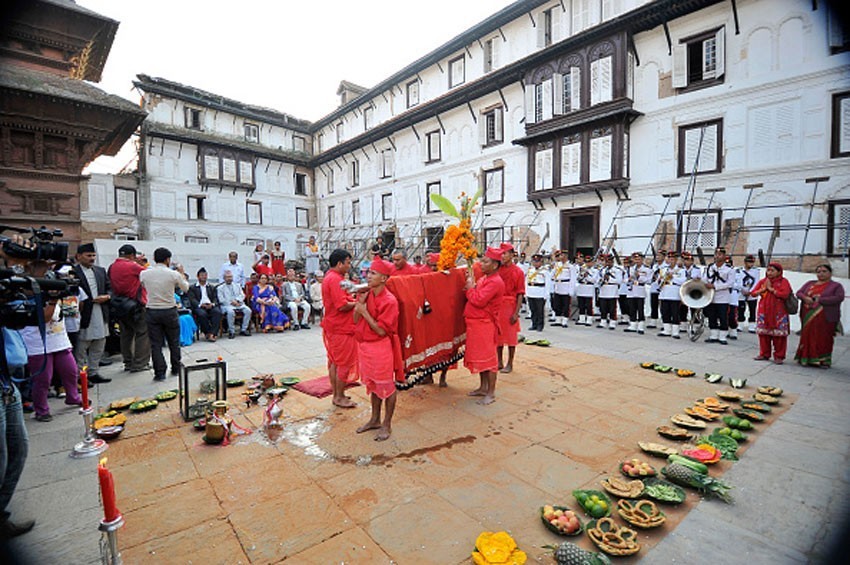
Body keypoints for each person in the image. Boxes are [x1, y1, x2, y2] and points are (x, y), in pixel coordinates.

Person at [353, 259, 401, 441]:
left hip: (380, 347)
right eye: (369, 272)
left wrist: (365, 312)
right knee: (373, 384)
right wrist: (361, 305)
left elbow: (381, 330)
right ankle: (374, 419)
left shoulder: (390, 301)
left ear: (384, 278)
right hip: (365, 346)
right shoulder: (367, 294)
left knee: (386, 386)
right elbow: (355, 319)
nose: (368, 276)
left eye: (373, 273)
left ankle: (386, 424)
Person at [21, 292, 83, 422]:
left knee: (71, 370)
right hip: (38, 344)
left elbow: (70, 309)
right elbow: (44, 318)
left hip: (59, 339)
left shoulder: (52, 288)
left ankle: (73, 396)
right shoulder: (25, 294)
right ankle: (41, 409)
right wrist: (53, 301)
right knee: (43, 379)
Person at [140, 247, 189, 381]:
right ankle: (176, 368)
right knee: (174, 342)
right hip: (169, 310)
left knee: (155, 344)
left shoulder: (144, 273)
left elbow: (143, 287)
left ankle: (160, 372)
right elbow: (185, 288)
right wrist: (182, 273)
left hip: (152, 310)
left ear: (154, 259)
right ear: (168, 259)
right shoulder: (173, 274)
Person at [465, 247, 506, 405]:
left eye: (485, 261)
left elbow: (478, 300)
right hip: (475, 323)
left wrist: (469, 289)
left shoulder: (495, 282)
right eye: (481, 260)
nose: (481, 264)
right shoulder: (485, 278)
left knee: (489, 360)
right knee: (481, 359)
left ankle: (491, 392)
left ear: (495, 265)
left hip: (484, 324)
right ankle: (483, 387)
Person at [322, 249, 359, 408]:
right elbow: (342, 306)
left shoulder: (331, 277)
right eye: (348, 263)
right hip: (341, 327)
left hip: (334, 325)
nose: (349, 266)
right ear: (339, 263)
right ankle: (339, 396)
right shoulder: (335, 279)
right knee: (343, 363)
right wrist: (358, 304)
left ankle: (338, 394)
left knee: (335, 362)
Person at [72, 244, 111, 384]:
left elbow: (110, 288)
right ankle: (79, 375)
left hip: (101, 311)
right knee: (82, 345)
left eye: (93, 255)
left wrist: (107, 297)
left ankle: (93, 372)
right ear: (79, 256)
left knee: (100, 342)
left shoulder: (100, 271)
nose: (92, 258)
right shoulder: (72, 272)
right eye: (88, 256)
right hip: (84, 312)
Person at [109, 244, 151, 372]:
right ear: (132, 255)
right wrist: (141, 263)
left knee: (126, 334)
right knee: (142, 332)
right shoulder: (132, 266)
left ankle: (128, 362)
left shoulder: (112, 266)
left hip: (120, 305)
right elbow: (148, 274)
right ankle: (140, 363)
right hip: (135, 304)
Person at [795, 264, 845, 368]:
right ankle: (806, 358)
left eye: (824, 271)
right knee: (807, 335)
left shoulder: (836, 286)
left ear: (830, 273)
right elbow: (799, 293)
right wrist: (805, 298)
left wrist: (820, 299)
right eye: (818, 272)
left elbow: (839, 298)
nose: (821, 274)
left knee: (824, 337)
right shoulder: (810, 283)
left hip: (825, 317)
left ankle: (823, 360)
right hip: (808, 315)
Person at [750, 262, 792, 364]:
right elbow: (753, 293)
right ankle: (764, 354)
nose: (769, 273)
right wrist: (763, 289)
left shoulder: (783, 282)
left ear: (779, 272)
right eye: (768, 270)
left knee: (779, 336)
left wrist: (772, 290)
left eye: (772, 270)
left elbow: (785, 294)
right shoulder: (763, 281)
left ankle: (779, 356)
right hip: (764, 311)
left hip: (779, 312)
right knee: (763, 334)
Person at [497, 243, 525, 374]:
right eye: (501, 253)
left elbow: (520, 293)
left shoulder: (518, 271)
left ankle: (510, 363)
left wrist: (516, 313)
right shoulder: (497, 269)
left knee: (511, 337)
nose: (502, 256)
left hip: (510, 305)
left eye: (505, 253)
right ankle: (499, 361)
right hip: (498, 305)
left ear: (512, 255)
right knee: (498, 335)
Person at [703, 247, 734, 344]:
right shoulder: (710, 267)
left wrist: (715, 286)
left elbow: (730, 283)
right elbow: (705, 278)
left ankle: (722, 337)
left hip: (723, 297)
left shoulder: (729, 269)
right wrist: (704, 283)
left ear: (724, 256)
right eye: (716, 254)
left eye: (720, 254)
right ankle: (713, 335)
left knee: (723, 317)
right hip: (711, 297)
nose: (717, 256)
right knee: (712, 316)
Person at [188, 268, 222, 342]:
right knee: (202, 314)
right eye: (202, 275)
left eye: (205, 275)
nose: (204, 277)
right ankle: (207, 332)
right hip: (200, 306)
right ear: (198, 276)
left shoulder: (211, 287)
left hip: (210, 305)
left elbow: (215, 298)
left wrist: (212, 304)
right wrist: (200, 305)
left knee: (217, 312)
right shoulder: (193, 287)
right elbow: (192, 299)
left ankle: (213, 333)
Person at [657, 251, 685, 339]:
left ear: (676, 260)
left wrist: (673, 278)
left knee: (675, 313)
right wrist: (659, 280)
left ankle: (675, 332)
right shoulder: (663, 269)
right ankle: (667, 330)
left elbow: (683, 281)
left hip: (674, 293)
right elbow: (659, 282)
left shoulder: (681, 270)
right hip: (664, 293)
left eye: (673, 259)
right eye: (669, 259)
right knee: (665, 312)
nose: (671, 260)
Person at [217, 271, 252, 338]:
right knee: (230, 312)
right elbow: (221, 299)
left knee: (248, 310)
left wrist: (237, 301)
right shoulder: (220, 288)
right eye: (227, 277)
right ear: (224, 278)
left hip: (239, 303)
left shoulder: (237, 285)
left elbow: (242, 295)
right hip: (227, 305)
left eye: (230, 277)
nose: (229, 278)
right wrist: (232, 302)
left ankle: (243, 329)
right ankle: (231, 331)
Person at [625, 252, 651, 334]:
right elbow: (624, 279)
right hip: (631, 290)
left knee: (640, 309)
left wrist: (639, 276)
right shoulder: (630, 268)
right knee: (632, 309)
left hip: (640, 290)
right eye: (635, 259)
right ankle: (632, 325)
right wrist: (628, 279)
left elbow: (649, 280)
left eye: (639, 259)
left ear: (642, 260)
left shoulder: (646, 269)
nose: (637, 261)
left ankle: (641, 326)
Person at [597, 254, 623, 330]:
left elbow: (619, 281)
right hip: (603, 290)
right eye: (606, 261)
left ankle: (612, 322)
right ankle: (603, 321)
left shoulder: (617, 270)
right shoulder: (602, 270)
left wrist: (609, 279)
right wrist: (602, 280)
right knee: (603, 308)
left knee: (612, 308)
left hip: (612, 289)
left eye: (609, 261)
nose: (607, 263)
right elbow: (597, 280)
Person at [551, 250, 575, 328]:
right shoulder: (557, 265)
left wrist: (571, 290)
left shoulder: (570, 266)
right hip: (558, 286)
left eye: (562, 255)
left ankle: (564, 321)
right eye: (560, 255)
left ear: (566, 256)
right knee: (557, 304)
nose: (561, 257)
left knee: (565, 305)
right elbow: (552, 274)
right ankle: (558, 320)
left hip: (566, 286)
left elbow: (573, 279)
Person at [525, 253, 549, 331]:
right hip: (531, 291)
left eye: (537, 261)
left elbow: (548, 283)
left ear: (541, 262)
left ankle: (540, 325)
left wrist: (546, 294)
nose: (535, 263)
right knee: (532, 310)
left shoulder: (545, 271)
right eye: (534, 261)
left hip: (540, 292)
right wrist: (526, 292)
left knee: (540, 310)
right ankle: (534, 324)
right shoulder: (530, 270)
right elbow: (526, 281)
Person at [738, 254, 760, 333]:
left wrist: (751, 291)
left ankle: (752, 326)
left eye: (752, 262)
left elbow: (756, 282)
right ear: (745, 262)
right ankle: (740, 325)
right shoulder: (739, 271)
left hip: (752, 293)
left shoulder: (756, 271)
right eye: (749, 262)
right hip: (742, 293)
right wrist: (742, 289)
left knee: (752, 309)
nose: (751, 264)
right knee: (741, 310)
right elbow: (738, 281)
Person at [575, 254, 598, 326]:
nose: (588, 263)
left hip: (589, 287)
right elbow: (577, 278)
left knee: (589, 305)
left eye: (589, 262)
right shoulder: (582, 269)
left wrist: (587, 276)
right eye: (586, 262)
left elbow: (594, 280)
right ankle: (581, 319)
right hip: (581, 287)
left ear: (593, 263)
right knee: (581, 304)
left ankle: (589, 319)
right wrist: (582, 275)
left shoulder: (595, 271)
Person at [647, 249, 667, 329]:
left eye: (659, 255)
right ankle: (653, 322)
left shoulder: (665, 266)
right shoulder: (654, 266)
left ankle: (664, 323)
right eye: (657, 255)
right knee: (653, 305)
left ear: (664, 257)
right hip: (654, 287)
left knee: (663, 307)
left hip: (662, 288)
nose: (657, 257)